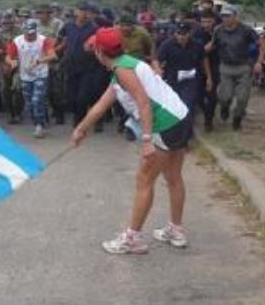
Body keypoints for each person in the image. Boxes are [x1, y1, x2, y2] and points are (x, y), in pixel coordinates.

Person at [71, 27, 192, 255]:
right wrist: (81, 129)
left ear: (99, 52)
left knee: (144, 180)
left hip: (164, 124)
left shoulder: (123, 70)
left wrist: (146, 140)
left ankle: (132, 238)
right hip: (180, 117)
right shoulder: (125, 65)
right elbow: (101, 105)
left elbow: (143, 103)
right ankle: (176, 230)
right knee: (173, 177)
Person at [206, 4, 265, 130]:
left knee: (242, 98)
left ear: (235, 17)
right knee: (224, 96)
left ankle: (237, 119)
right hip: (226, 67)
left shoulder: (246, 30)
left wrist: (259, 61)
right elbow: (213, 44)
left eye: (228, 16)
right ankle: (224, 107)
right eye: (223, 16)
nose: (225, 19)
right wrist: (205, 48)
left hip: (243, 67)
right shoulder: (218, 30)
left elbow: (261, 43)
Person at [58, 2, 108, 127]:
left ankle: (84, 120)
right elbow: (61, 40)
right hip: (71, 66)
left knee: (85, 96)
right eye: (81, 10)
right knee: (71, 96)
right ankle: (80, 116)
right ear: (76, 12)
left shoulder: (94, 29)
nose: (83, 13)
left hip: (89, 67)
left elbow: (101, 45)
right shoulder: (68, 26)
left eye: (86, 11)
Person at [6, 19, 57, 138]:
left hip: (41, 74)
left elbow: (53, 55)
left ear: (36, 31)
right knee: (29, 104)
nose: (30, 35)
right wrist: (11, 62)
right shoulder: (17, 41)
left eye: (32, 33)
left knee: (36, 100)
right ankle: (39, 121)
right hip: (25, 75)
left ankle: (39, 126)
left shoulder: (43, 40)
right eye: (27, 33)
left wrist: (40, 61)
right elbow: (8, 56)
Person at [154, 22, 212, 118]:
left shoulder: (197, 45)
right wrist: (158, 70)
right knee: (175, 103)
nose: (181, 36)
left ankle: (187, 127)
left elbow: (204, 60)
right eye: (178, 33)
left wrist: (209, 77)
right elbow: (157, 59)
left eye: (184, 34)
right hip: (173, 78)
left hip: (191, 80)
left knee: (189, 102)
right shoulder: (167, 44)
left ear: (189, 33)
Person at [0, 11, 24, 124]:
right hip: (4, 63)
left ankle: (18, 113)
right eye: (4, 22)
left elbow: (24, 48)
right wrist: (3, 61)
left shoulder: (20, 32)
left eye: (9, 22)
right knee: (4, 89)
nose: (6, 25)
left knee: (17, 88)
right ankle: (11, 112)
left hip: (19, 63)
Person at [197, 10, 220, 132]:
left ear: (214, 21)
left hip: (215, 67)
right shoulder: (197, 33)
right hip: (198, 68)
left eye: (209, 21)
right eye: (203, 21)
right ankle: (206, 112)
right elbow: (200, 52)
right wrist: (209, 46)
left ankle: (208, 121)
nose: (206, 24)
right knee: (199, 96)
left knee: (212, 96)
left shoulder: (219, 32)